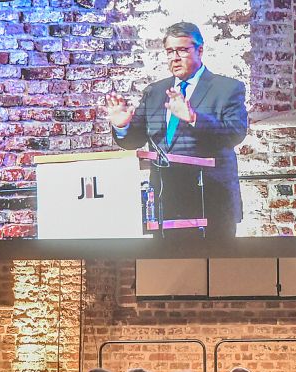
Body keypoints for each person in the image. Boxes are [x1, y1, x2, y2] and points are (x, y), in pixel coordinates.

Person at [106, 22, 248, 239]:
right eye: (170, 51)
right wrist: (122, 125)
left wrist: (193, 118)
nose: (175, 57)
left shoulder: (227, 88)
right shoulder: (155, 92)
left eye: (182, 50)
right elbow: (134, 141)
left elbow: (234, 133)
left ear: (200, 50)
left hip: (210, 204)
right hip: (166, 205)